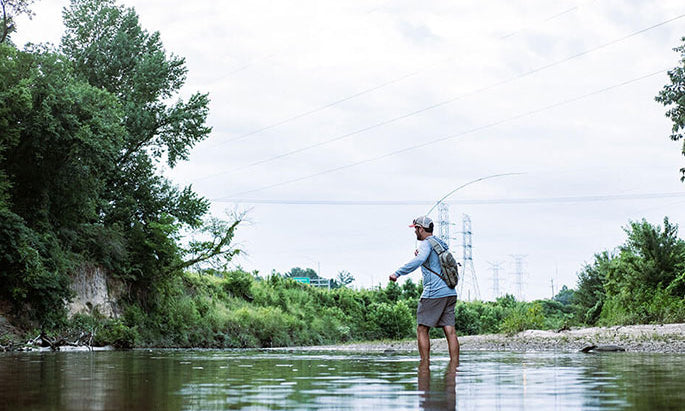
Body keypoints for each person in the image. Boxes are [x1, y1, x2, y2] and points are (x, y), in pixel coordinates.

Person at [389, 215, 460, 364]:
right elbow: (433, 263)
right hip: (450, 292)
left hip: (434, 294)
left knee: (422, 328)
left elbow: (419, 261)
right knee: (450, 331)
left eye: (415, 229)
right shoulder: (441, 244)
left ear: (420, 229)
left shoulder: (426, 244)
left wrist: (397, 273)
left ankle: (424, 365)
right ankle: (454, 366)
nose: (415, 232)